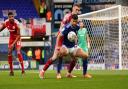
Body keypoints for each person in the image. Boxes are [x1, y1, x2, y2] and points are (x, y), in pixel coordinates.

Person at [39, 14, 88, 79]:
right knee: (56, 56)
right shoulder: (66, 27)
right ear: (71, 20)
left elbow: (76, 35)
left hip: (73, 47)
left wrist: (76, 43)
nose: (74, 23)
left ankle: (79, 74)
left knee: (85, 56)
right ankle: (43, 71)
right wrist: (58, 46)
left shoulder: (77, 27)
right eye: (73, 21)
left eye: (76, 21)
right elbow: (59, 36)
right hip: (65, 46)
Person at [56, 3, 80, 79]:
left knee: (75, 58)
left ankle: (69, 73)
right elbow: (62, 26)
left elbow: (75, 29)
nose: (77, 11)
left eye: (78, 10)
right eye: (76, 9)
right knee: (59, 55)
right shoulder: (67, 16)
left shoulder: (77, 18)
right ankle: (58, 73)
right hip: (63, 39)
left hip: (71, 41)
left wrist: (75, 40)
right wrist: (60, 37)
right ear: (73, 8)